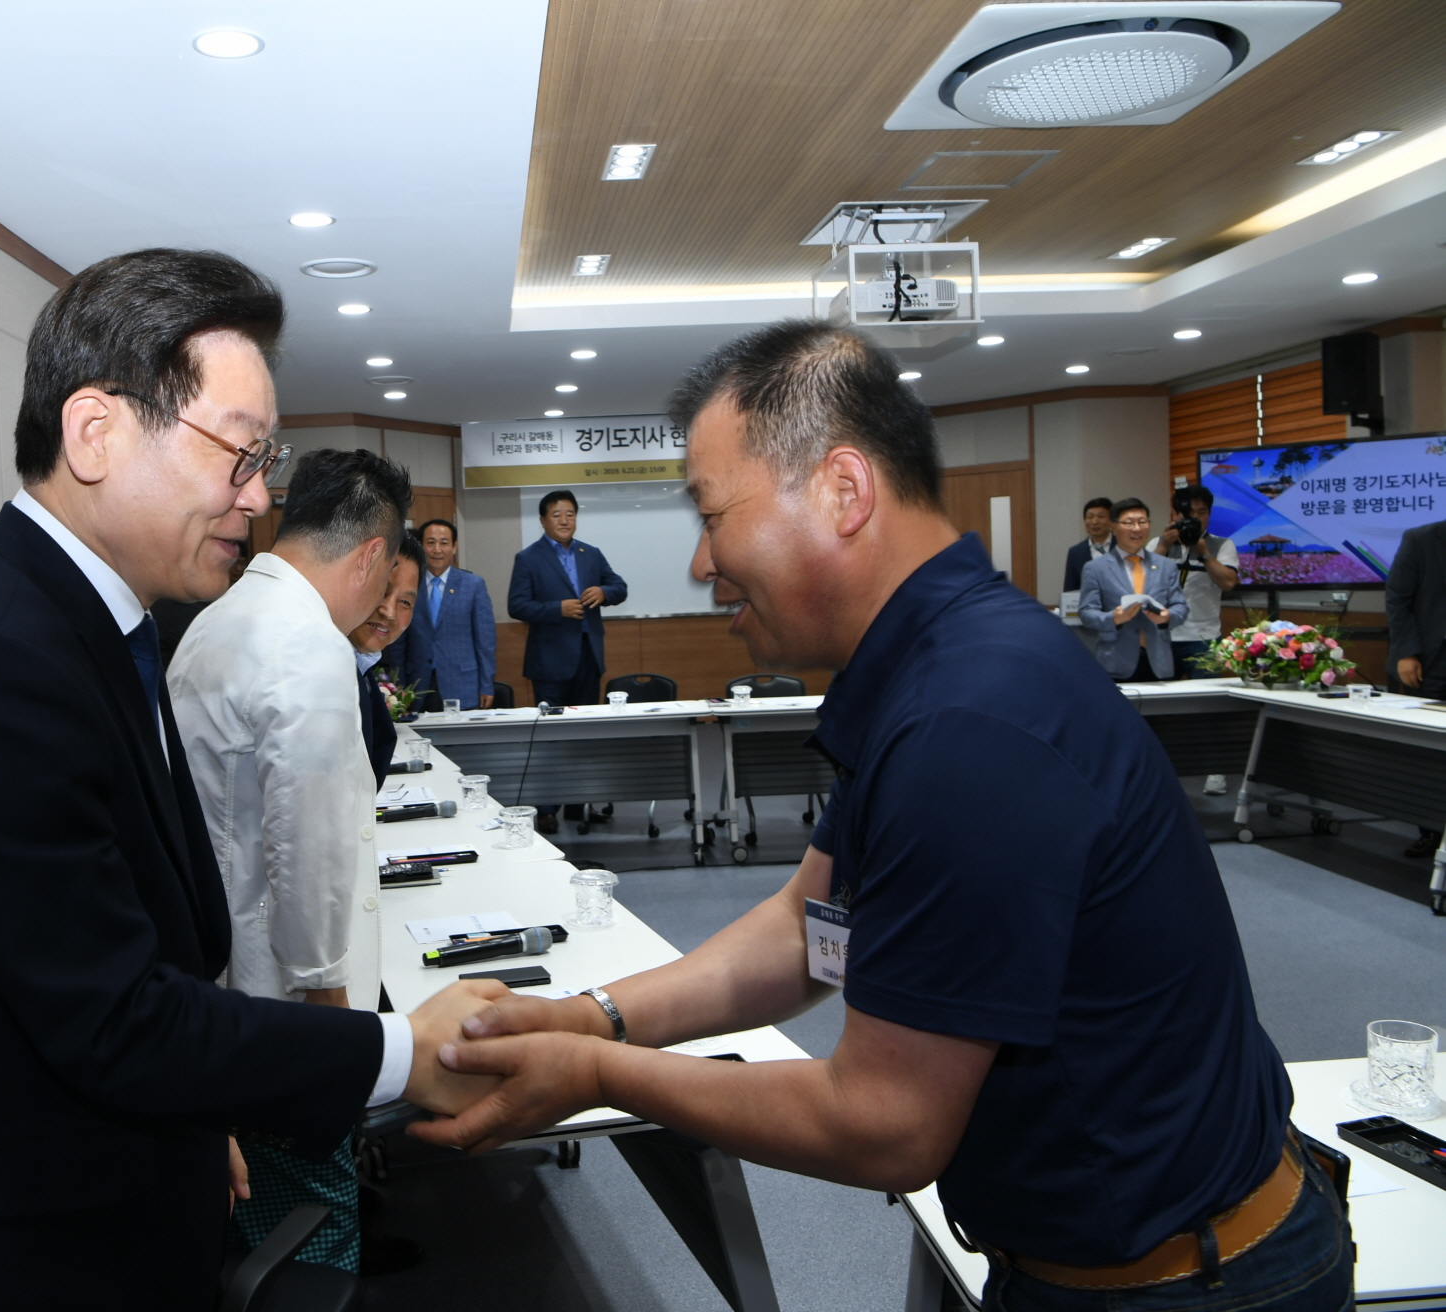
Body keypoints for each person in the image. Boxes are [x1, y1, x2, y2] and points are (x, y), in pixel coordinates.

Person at [412, 320, 1343, 1312]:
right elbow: (803, 928)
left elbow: (883, 1124)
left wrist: (594, 1072)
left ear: (843, 491)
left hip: (1183, 1286)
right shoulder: (936, 658)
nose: (701, 562)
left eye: (713, 515)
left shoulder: (966, 722)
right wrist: (585, 1015)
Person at [0, 249, 498, 1312]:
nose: (261, 494)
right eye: (238, 454)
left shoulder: (102, 626)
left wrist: (202, 1112)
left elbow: (147, 936)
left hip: (114, 1191)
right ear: (95, 432)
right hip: (9, 1253)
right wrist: (403, 1050)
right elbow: (112, 1016)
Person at [168, 446, 416, 1271]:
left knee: (254, 1233)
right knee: (309, 1236)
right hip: (288, 1006)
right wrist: (333, 1015)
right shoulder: (308, 647)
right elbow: (306, 853)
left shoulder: (219, 620)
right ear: (374, 555)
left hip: (221, 983)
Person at [507, 490, 627, 832]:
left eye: (570, 514)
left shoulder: (591, 553)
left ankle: (579, 802)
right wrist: (556, 609)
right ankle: (546, 807)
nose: (564, 520)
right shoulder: (528, 558)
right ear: (543, 520)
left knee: (584, 735)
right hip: (549, 662)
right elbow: (517, 606)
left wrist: (605, 592)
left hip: (588, 657)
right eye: (557, 514)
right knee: (550, 738)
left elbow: (620, 586)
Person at [1152, 485, 1240, 793]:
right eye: (1189, 513)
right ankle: (1157, 768)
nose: (1196, 519)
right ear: (1175, 515)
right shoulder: (1160, 543)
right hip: (1164, 638)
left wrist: (1204, 554)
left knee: (1209, 708)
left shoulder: (1221, 544)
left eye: (1202, 513)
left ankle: (1215, 770)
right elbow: (1140, 580)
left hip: (1204, 638)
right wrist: (1163, 546)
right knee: (1156, 708)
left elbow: (1229, 582)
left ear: (1210, 515)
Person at [1386, 518, 1446, 855]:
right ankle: (1432, 832)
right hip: (1431, 663)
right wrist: (1406, 652)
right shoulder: (1421, 539)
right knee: (1431, 752)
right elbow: (1397, 599)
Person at [390, 518, 495, 708]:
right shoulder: (408, 585)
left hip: (462, 684)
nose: (437, 549)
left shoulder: (473, 585)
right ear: (421, 546)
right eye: (430, 542)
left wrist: (486, 685)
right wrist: (398, 687)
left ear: (454, 547)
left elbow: (485, 643)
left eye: (444, 543)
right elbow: (398, 642)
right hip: (417, 685)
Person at [1079, 499, 1188, 681]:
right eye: (1129, 523)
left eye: (1142, 522)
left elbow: (1181, 607)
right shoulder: (1096, 568)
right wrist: (1113, 618)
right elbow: (1086, 613)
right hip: (1116, 661)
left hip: (1158, 661)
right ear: (1113, 527)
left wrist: (1167, 617)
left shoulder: (1166, 565)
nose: (1137, 529)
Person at [354, 530, 425, 786]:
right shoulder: (320, 668)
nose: (390, 611)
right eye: (383, 591)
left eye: (405, 602)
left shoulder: (361, 667)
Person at [1061, 497, 1115, 592]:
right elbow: (1070, 590)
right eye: (1090, 517)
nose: (1094, 522)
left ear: (1112, 521)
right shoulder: (1075, 552)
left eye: (1101, 516)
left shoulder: (1123, 547)